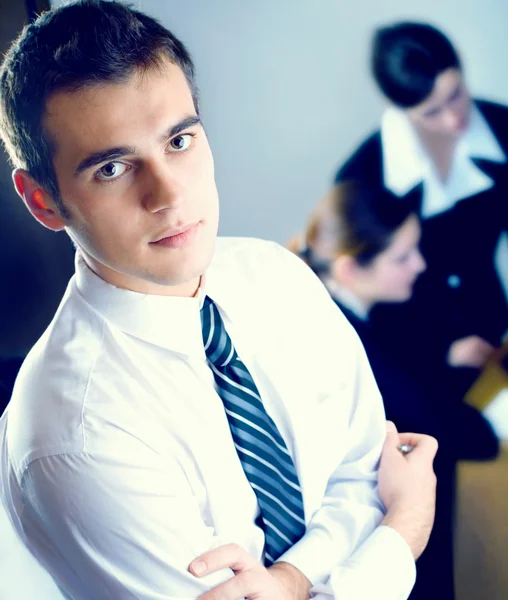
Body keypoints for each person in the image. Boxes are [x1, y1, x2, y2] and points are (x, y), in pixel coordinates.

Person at [0, 2, 436, 599]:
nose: (168, 194)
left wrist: (289, 580)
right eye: (113, 168)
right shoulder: (76, 434)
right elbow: (389, 505)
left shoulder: (277, 276)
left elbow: (363, 471)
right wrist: (402, 532)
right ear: (44, 201)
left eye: (179, 140)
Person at [298, 182, 499, 599]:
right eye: (403, 256)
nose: (421, 265)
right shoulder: (340, 343)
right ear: (349, 269)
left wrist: (445, 355)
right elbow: (457, 431)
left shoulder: (333, 307)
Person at [335, 21, 508, 396]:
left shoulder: (502, 126)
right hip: (414, 348)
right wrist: (441, 349)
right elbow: (368, 296)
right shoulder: (362, 178)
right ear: (397, 107)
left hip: (492, 322)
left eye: (456, 94)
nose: (453, 119)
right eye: (431, 111)